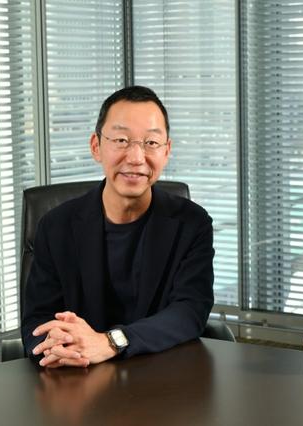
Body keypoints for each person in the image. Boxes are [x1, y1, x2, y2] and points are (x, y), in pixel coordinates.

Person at [21, 86, 214, 368]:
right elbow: (38, 321)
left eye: (151, 142)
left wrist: (110, 342)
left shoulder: (192, 224)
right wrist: (60, 346)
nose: (136, 158)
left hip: (163, 376)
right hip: (79, 377)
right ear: (96, 146)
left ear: (167, 151)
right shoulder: (56, 226)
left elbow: (190, 311)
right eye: (121, 140)